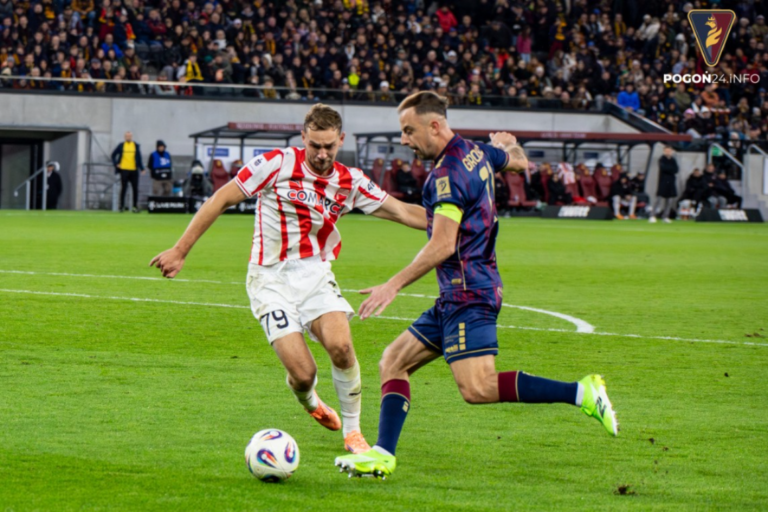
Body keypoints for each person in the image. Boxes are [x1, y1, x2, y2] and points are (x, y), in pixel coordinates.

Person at [334, 92, 617, 479]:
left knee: (477, 388)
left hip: (471, 293)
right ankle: (383, 452)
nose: (403, 140)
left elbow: (443, 243)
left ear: (435, 125)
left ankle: (581, 392)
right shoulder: (476, 151)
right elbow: (517, 161)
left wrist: (392, 285)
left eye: (408, 130)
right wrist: (507, 145)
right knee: (393, 361)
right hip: (458, 292)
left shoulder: (447, 175)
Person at [150, 104, 427, 454]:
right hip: (269, 279)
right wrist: (180, 249)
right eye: (315, 146)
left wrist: (453, 220)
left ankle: (353, 433)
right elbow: (222, 197)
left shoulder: (350, 181)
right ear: (303, 138)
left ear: (341, 140)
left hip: (314, 274)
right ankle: (311, 401)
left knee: (342, 348)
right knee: (303, 373)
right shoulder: (276, 164)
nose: (322, 154)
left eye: (329, 146)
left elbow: (403, 211)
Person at [111, 131, 145, 213]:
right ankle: (122, 206)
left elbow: (139, 158)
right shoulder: (121, 146)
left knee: (135, 189)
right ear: (124, 137)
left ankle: (134, 206)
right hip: (124, 169)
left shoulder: (135, 146)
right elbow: (113, 155)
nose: (128, 137)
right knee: (124, 188)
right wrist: (116, 164)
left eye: (129, 136)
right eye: (127, 136)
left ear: (131, 137)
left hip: (134, 169)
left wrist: (142, 168)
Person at [649, 146, 678, 223]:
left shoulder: (673, 160)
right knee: (658, 199)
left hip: (671, 182)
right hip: (663, 182)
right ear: (664, 151)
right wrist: (670, 169)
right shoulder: (662, 159)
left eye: (669, 150)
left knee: (669, 201)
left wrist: (670, 169)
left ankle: (665, 216)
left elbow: (676, 169)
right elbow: (664, 168)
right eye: (666, 151)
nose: (668, 152)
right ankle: (652, 215)